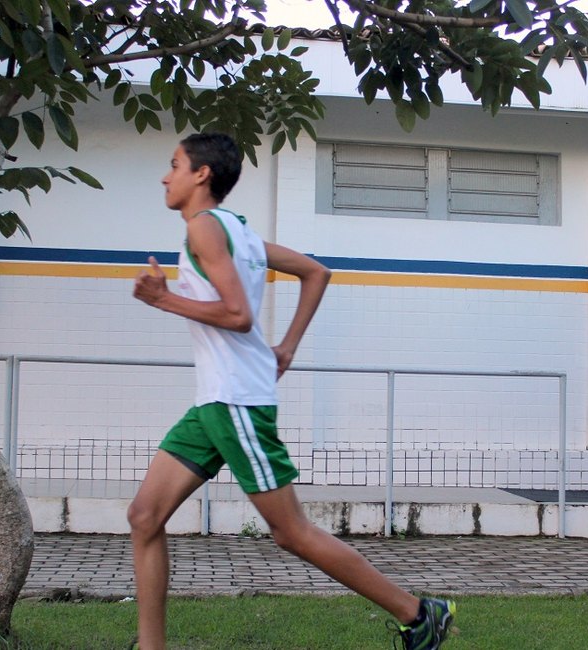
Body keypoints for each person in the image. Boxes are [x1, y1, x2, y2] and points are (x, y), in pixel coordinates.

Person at [127, 132, 455, 650]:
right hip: (215, 401)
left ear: (201, 175)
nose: (166, 176)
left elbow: (237, 315)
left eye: (174, 165)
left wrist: (163, 299)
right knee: (144, 516)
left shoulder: (205, 229)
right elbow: (315, 272)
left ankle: (419, 614)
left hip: (235, 401)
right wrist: (285, 349)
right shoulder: (238, 231)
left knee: (290, 532)